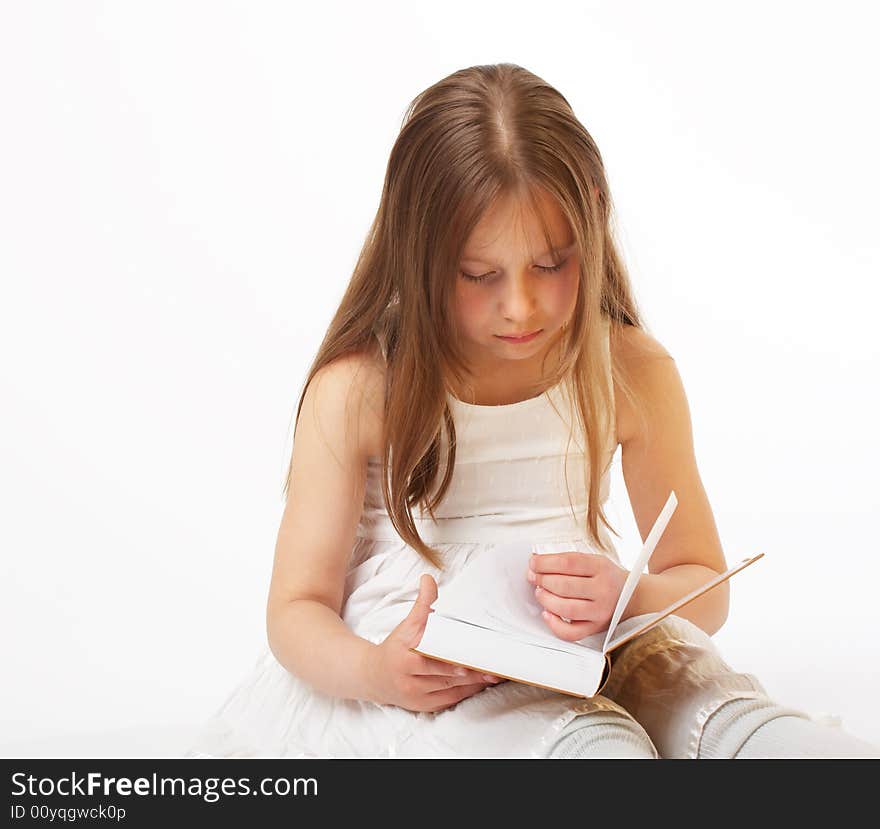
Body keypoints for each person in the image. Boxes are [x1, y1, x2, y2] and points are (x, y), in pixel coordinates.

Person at [185, 63, 879, 759]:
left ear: (594, 219)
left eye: (550, 263)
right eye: (479, 275)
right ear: (417, 252)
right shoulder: (362, 389)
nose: (521, 306)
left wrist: (630, 601)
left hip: (593, 645)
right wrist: (378, 672)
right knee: (591, 752)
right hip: (433, 671)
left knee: (732, 722)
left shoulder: (631, 371)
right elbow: (294, 610)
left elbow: (704, 582)